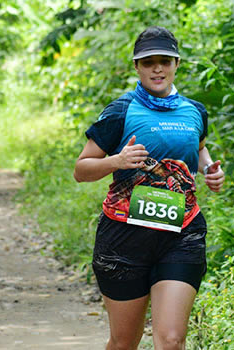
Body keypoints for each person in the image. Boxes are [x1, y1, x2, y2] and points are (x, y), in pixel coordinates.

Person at [73, 26, 225, 350]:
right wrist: (117, 161)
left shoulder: (194, 111)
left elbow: (197, 149)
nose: (158, 68)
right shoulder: (121, 110)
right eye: (148, 61)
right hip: (124, 237)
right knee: (125, 341)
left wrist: (211, 170)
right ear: (137, 67)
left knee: (171, 340)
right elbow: (81, 170)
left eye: (165, 61)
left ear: (176, 64)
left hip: (181, 233)